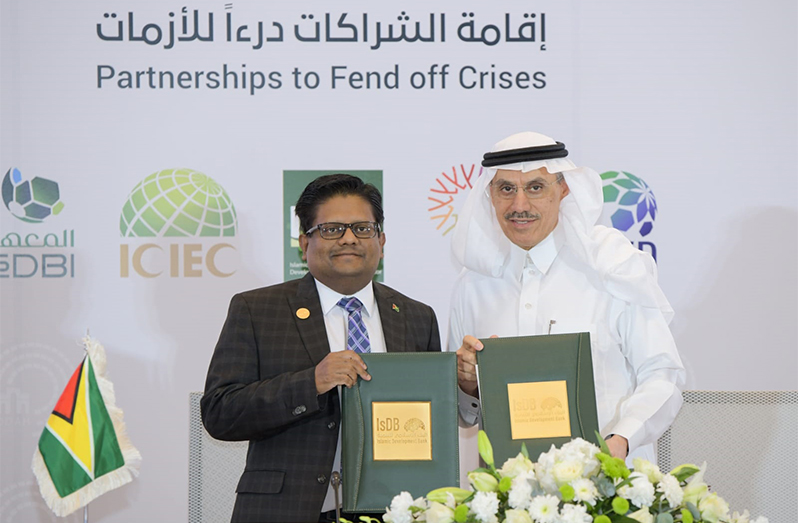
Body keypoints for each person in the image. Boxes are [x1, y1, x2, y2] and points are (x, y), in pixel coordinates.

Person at [202, 174, 441, 523]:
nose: (348, 239)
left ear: (381, 240)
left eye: (362, 228)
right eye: (331, 229)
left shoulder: (417, 317)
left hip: (393, 510)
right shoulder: (257, 309)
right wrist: (312, 382)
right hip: (288, 510)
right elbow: (220, 413)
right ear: (304, 241)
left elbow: (431, 420)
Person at [450, 132, 685, 463]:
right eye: (506, 189)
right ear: (489, 194)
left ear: (563, 189)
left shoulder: (611, 265)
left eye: (535, 187)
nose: (519, 205)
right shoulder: (473, 284)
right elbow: (466, 414)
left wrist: (621, 440)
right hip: (506, 497)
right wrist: (466, 384)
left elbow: (663, 373)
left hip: (608, 488)